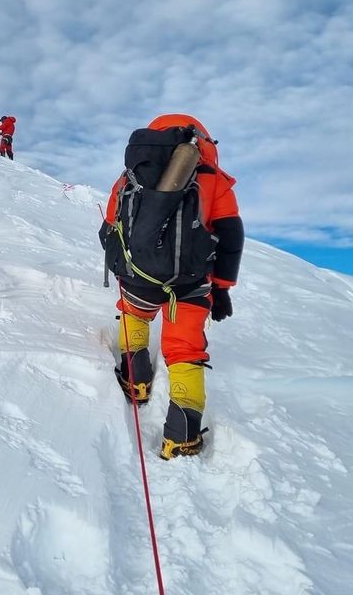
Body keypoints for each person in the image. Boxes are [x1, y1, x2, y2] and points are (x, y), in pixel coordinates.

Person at [98, 114, 244, 459]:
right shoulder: (213, 180)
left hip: (137, 279)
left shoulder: (128, 179)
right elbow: (231, 238)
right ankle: (181, 437)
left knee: (134, 315)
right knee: (184, 350)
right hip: (189, 286)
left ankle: (136, 380)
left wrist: (123, 267)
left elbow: (109, 228)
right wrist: (221, 288)